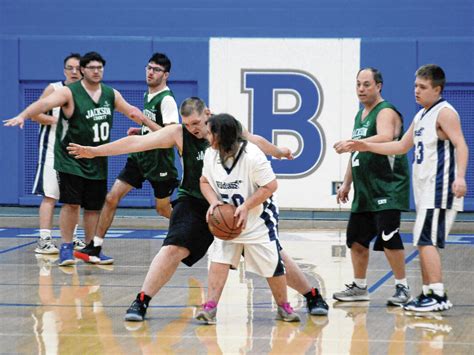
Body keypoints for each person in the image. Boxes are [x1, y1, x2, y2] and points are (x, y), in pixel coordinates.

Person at [67, 97, 329, 322]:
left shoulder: (226, 129)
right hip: (195, 200)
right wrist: (95, 151)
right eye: (188, 124)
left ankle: (311, 295)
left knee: (274, 256)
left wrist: (278, 152)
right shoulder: (178, 133)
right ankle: (142, 300)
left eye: (197, 123)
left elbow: (255, 140)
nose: (193, 129)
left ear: (208, 114)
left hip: (236, 205)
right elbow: (136, 145)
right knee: (172, 248)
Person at [4, 51, 155, 267]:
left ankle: (90, 248)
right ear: (83, 70)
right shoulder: (69, 92)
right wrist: (23, 115)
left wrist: (156, 130)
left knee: (94, 208)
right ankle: (66, 248)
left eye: (100, 68)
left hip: (97, 158)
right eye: (92, 67)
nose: (96, 71)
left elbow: (132, 112)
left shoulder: (110, 94)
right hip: (71, 157)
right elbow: (42, 105)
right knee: (72, 204)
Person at [348, 64, 468, 312]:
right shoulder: (421, 115)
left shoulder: (445, 113)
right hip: (424, 191)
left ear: (437, 89)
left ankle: (437, 294)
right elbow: (401, 146)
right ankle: (427, 292)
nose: (417, 91)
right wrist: (365, 146)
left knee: (425, 241)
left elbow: (461, 145)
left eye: (423, 87)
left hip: (439, 186)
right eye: (415, 86)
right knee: (423, 241)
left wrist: (461, 177)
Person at [74, 53, 179, 264]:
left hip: (160, 162)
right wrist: (141, 130)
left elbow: (172, 136)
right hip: (140, 157)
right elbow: (152, 129)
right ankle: (95, 247)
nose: (151, 72)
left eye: (156, 70)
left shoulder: (167, 100)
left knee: (163, 209)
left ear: (165, 75)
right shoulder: (148, 95)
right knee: (112, 197)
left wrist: (144, 121)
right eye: (149, 67)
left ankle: (201, 227)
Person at [197, 114, 300, 323]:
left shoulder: (253, 156)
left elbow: (270, 186)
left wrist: (245, 206)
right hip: (227, 219)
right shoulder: (209, 155)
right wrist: (213, 202)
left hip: (257, 219)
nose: (206, 137)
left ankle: (284, 307)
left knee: (273, 264)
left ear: (221, 135)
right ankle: (210, 307)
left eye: (210, 133)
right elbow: (204, 181)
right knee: (218, 259)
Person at [332, 67, 412, 306]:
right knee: (356, 240)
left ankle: (402, 287)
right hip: (365, 190)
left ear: (379, 86)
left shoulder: (385, 111)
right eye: (358, 84)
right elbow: (356, 151)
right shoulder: (361, 115)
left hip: (387, 187)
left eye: (366, 84)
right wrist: (346, 183)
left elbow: (386, 137)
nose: (361, 89)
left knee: (389, 237)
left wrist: (354, 143)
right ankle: (359, 287)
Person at [28, 53, 85, 254]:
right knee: (50, 195)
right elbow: (35, 113)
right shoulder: (54, 89)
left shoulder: (86, 94)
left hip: (74, 153)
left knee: (74, 199)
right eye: (70, 68)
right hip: (52, 150)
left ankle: (73, 238)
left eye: (78, 68)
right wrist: (55, 120)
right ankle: (44, 239)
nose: (74, 71)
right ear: (64, 71)